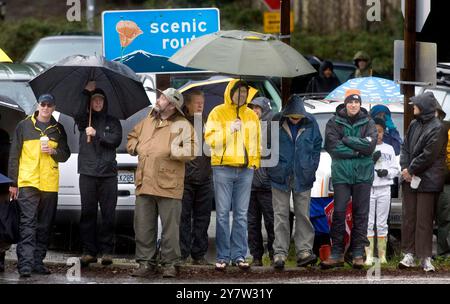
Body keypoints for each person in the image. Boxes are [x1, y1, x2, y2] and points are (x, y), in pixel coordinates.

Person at [127, 88, 197, 278]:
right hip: (145, 182)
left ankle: (170, 264)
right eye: (160, 97)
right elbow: (132, 137)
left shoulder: (182, 125)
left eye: (163, 98)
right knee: (143, 226)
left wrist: (172, 150)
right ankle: (145, 263)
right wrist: (135, 147)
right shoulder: (148, 120)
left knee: (170, 229)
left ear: (172, 105)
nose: (159, 100)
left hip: (168, 184)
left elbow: (191, 150)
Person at [8, 94, 70, 277]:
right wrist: (13, 183)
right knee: (28, 224)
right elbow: (14, 155)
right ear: (38, 106)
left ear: (54, 107)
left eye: (49, 105)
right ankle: (25, 266)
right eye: (43, 104)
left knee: (44, 226)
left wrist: (53, 151)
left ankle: (37, 263)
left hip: (49, 184)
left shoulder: (58, 129)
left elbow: (65, 154)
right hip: (28, 182)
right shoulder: (24, 125)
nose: (46, 108)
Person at [204, 79, 261, 271]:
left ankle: (239, 255)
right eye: (239, 92)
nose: (242, 96)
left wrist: (254, 163)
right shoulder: (217, 112)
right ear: (230, 93)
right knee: (221, 215)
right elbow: (211, 141)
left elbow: (257, 141)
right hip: (223, 168)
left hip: (245, 170)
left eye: (245, 93)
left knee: (241, 215)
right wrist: (230, 129)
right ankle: (222, 256)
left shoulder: (251, 115)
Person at [321, 89, 377, 269]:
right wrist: (356, 149)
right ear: (345, 103)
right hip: (342, 174)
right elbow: (332, 147)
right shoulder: (333, 122)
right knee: (338, 212)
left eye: (356, 102)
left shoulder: (369, 121)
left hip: (363, 174)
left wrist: (346, 139)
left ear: (360, 104)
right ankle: (336, 253)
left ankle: (358, 252)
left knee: (361, 214)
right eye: (350, 102)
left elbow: (370, 147)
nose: (353, 105)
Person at [268, 95, 322, 269]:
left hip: (303, 175)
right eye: (293, 116)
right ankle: (279, 254)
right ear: (286, 113)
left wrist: (311, 166)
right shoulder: (275, 121)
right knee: (281, 216)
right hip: (279, 175)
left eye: (298, 117)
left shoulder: (311, 122)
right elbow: (265, 145)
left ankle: (304, 252)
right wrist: (272, 167)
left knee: (303, 215)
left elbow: (317, 145)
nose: (296, 119)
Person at [74, 81, 123, 267]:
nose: (98, 103)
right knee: (88, 213)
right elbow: (78, 112)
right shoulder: (83, 120)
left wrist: (97, 134)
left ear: (105, 102)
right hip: (87, 173)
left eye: (100, 100)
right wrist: (86, 92)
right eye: (94, 100)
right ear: (90, 102)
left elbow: (115, 140)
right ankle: (89, 252)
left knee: (109, 215)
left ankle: (107, 251)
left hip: (108, 175)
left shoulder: (113, 121)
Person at [399, 92, 447, 272]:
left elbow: (429, 155)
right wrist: (405, 168)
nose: (413, 107)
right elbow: (404, 147)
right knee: (409, 217)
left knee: (424, 220)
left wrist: (410, 170)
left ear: (424, 107)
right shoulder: (413, 124)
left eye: (416, 105)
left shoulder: (438, 127)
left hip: (428, 179)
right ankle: (409, 254)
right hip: (410, 177)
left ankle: (425, 257)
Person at [179, 90, 212, 265]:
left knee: (203, 218)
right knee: (183, 218)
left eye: (202, 102)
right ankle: (183, 254)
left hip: (205, 177)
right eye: (197, 102)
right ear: (188, 104)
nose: (200, 105)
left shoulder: (207, 122)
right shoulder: (181, 123)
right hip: (185, 179)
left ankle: (199, 255)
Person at [365, 118, 399, 266]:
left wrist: (387, 172)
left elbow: (395, 169)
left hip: (384, 188)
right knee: (369, 222)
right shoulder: (366, 147)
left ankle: (382, 255)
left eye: (379, 132)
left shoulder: (389, 149)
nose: (377, 135)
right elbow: (360, 167)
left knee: (382, 223)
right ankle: (369, 256)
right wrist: (370, 161)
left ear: (384, 132)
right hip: (369, 188)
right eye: (375, 131)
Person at [246, 97, 275, 266]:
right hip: (249, 183)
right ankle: (256, 256)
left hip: (267, 184)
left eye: (258, 107)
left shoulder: (271, 126)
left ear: (265, 109)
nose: (255, 110)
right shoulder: (247, 124)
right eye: (253, 107)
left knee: (271, 221)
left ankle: (273, 255)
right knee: (252, 222)